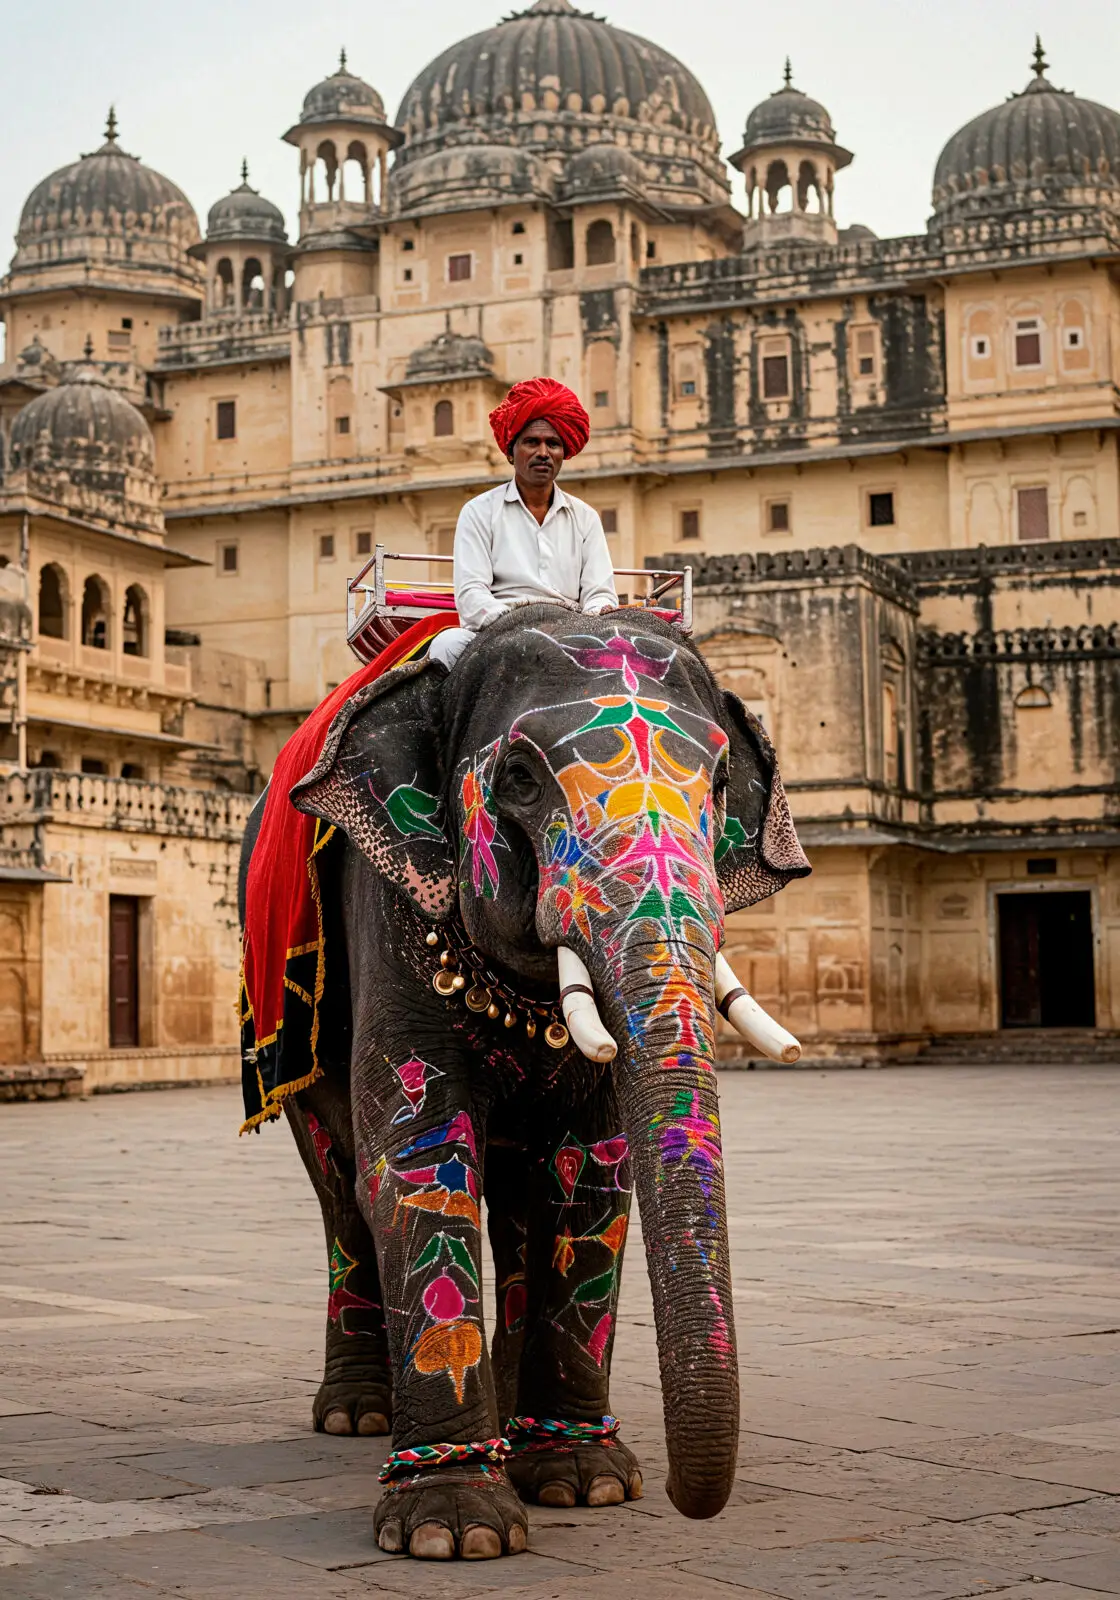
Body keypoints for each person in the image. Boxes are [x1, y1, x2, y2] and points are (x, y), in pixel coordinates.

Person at [429, 377, 617, 670]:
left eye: (553, 444)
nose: (543, 452)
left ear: (563, 454)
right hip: (499, 632)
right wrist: (522, 629)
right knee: (446, 645)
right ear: (510, 451)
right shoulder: (478, 512)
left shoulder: (585, 517)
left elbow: (599, 594)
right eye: (531, 442)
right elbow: (472, 595)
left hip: (572, 633)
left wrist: (583, 626)